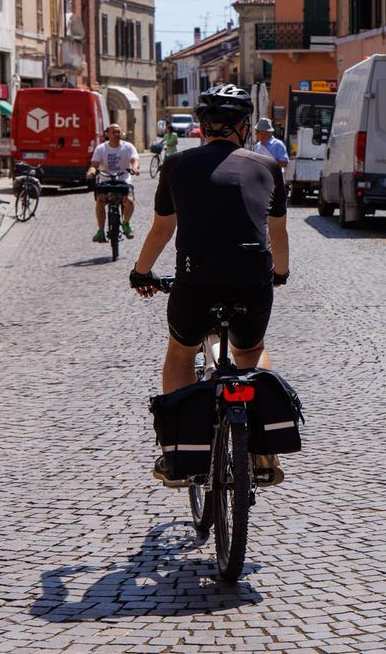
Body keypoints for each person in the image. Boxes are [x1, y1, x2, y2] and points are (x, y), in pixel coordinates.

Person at [129, 84, 290, 486]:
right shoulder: (268, 167)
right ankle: (264, 455)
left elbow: (162, 230)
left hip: (196, 281)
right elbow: (279, 233)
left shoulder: (176, 165)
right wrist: (281, 273)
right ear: (245, 126)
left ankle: (181, 455)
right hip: (252, 281)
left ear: (201, 126)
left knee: (181, 354)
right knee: (250, 350)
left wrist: (141, 272)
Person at [88, 124, 139, 242]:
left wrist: (135, 168)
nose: (117, 134)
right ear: (107, 134)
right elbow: (94, 165)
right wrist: (91, 171)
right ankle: (100, 231)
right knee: (100, 200)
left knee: (129, 201)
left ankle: (126, 224)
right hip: (105, 181)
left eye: (119, 132)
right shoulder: (101, 148)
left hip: (123, 181)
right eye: (114, 132)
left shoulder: (128, 147)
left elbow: (134, 159)